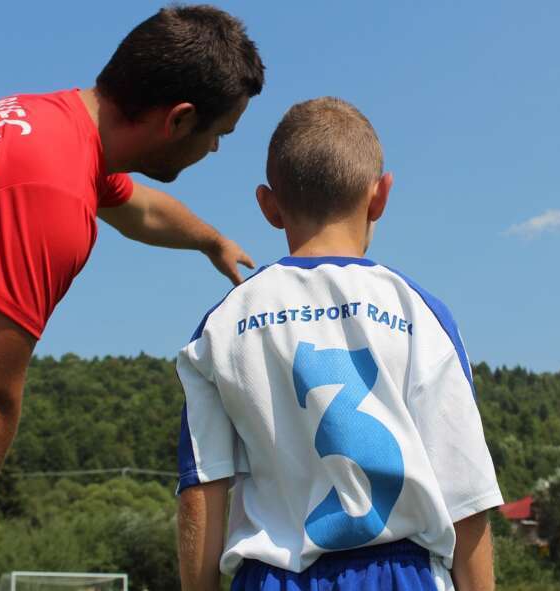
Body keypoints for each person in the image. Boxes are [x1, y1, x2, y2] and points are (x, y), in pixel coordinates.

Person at [0, 5, 264, 589]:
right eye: (218, 135)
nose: (216, 150)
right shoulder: (54, 193)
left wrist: (211, 241)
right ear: (179, 120)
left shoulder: (49, 125)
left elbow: (139, 207)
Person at [175, 97, 503, 591]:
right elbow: (467, 497)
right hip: (402, 575)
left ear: (268, 206)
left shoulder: (223, 325)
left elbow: (202, 488)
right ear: (380, 196)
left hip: (273, 577)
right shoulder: (420, 313)